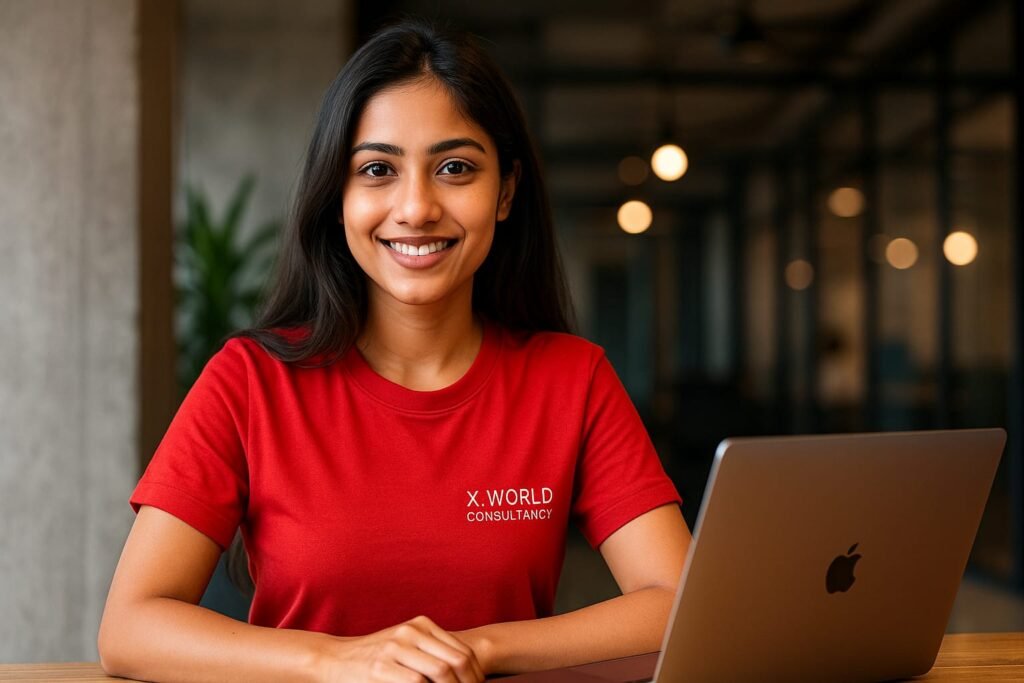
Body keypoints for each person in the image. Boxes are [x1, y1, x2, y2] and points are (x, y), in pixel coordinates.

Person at [98, 18, 691, 683]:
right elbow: (130, 624)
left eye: (456, 168)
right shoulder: (249, 380)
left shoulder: (572, 379)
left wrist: (480, 649)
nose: (415, 207)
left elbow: (678, 603)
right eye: (377, 169)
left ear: (507, 191)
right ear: (337, 193)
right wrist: (339, 658)